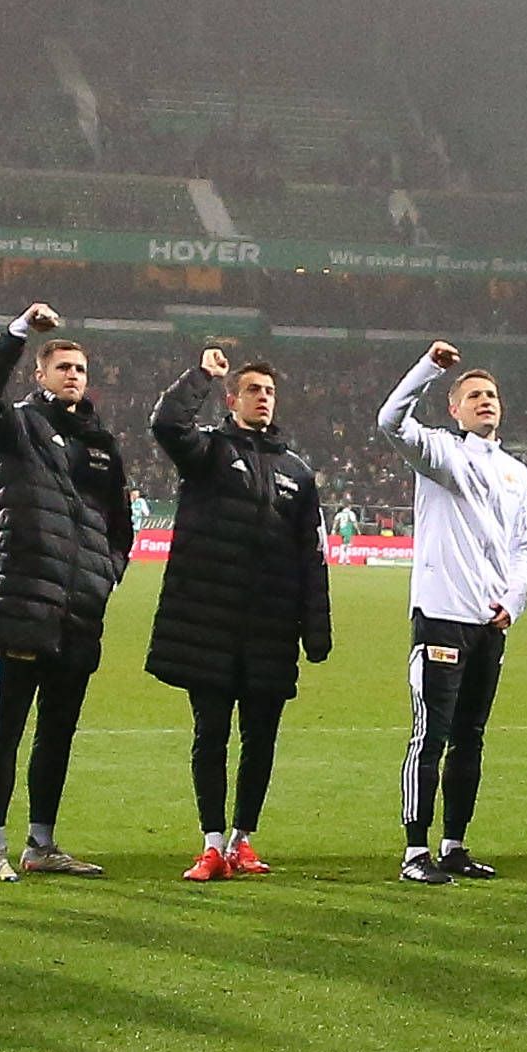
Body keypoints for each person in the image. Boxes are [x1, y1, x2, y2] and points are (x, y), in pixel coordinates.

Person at [149, 343, 332, 880]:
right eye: (253, 390)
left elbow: (311, 555)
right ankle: (211, 844)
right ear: (232, 400)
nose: (263, 398)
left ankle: (241, 840)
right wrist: (201, 375)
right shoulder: (208, 451)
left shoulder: (297, 472)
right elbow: (166, 424)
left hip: (271, 628)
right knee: (210, 734)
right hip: (211, 623)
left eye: (269, 391)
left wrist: (315, 628)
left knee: (260, 739)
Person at [0, 304, 134, 880]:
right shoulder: (19, 426)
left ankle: (41, 844)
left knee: (57, 733)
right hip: (24, 603)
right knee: (5, 730)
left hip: (80, 613)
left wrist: (104, 575)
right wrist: (17, 333)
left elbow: (120, 526)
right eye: (63, 366)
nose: (73, 376)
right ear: (40, 374)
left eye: (80, 369)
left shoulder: (103, 444)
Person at [381, 340, 527, 884]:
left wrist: (513, 602)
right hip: (443, 615)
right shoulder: (441, 454)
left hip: (489, 624)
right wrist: (427, 368)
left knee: (471, 737)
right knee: (431, 736)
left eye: (491, 394)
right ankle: (414, 852)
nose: (485, 401)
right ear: (454, 409)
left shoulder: (516, 472)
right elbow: (390, 420)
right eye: (473, 395)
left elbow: (520, 547)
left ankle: (453, 845)